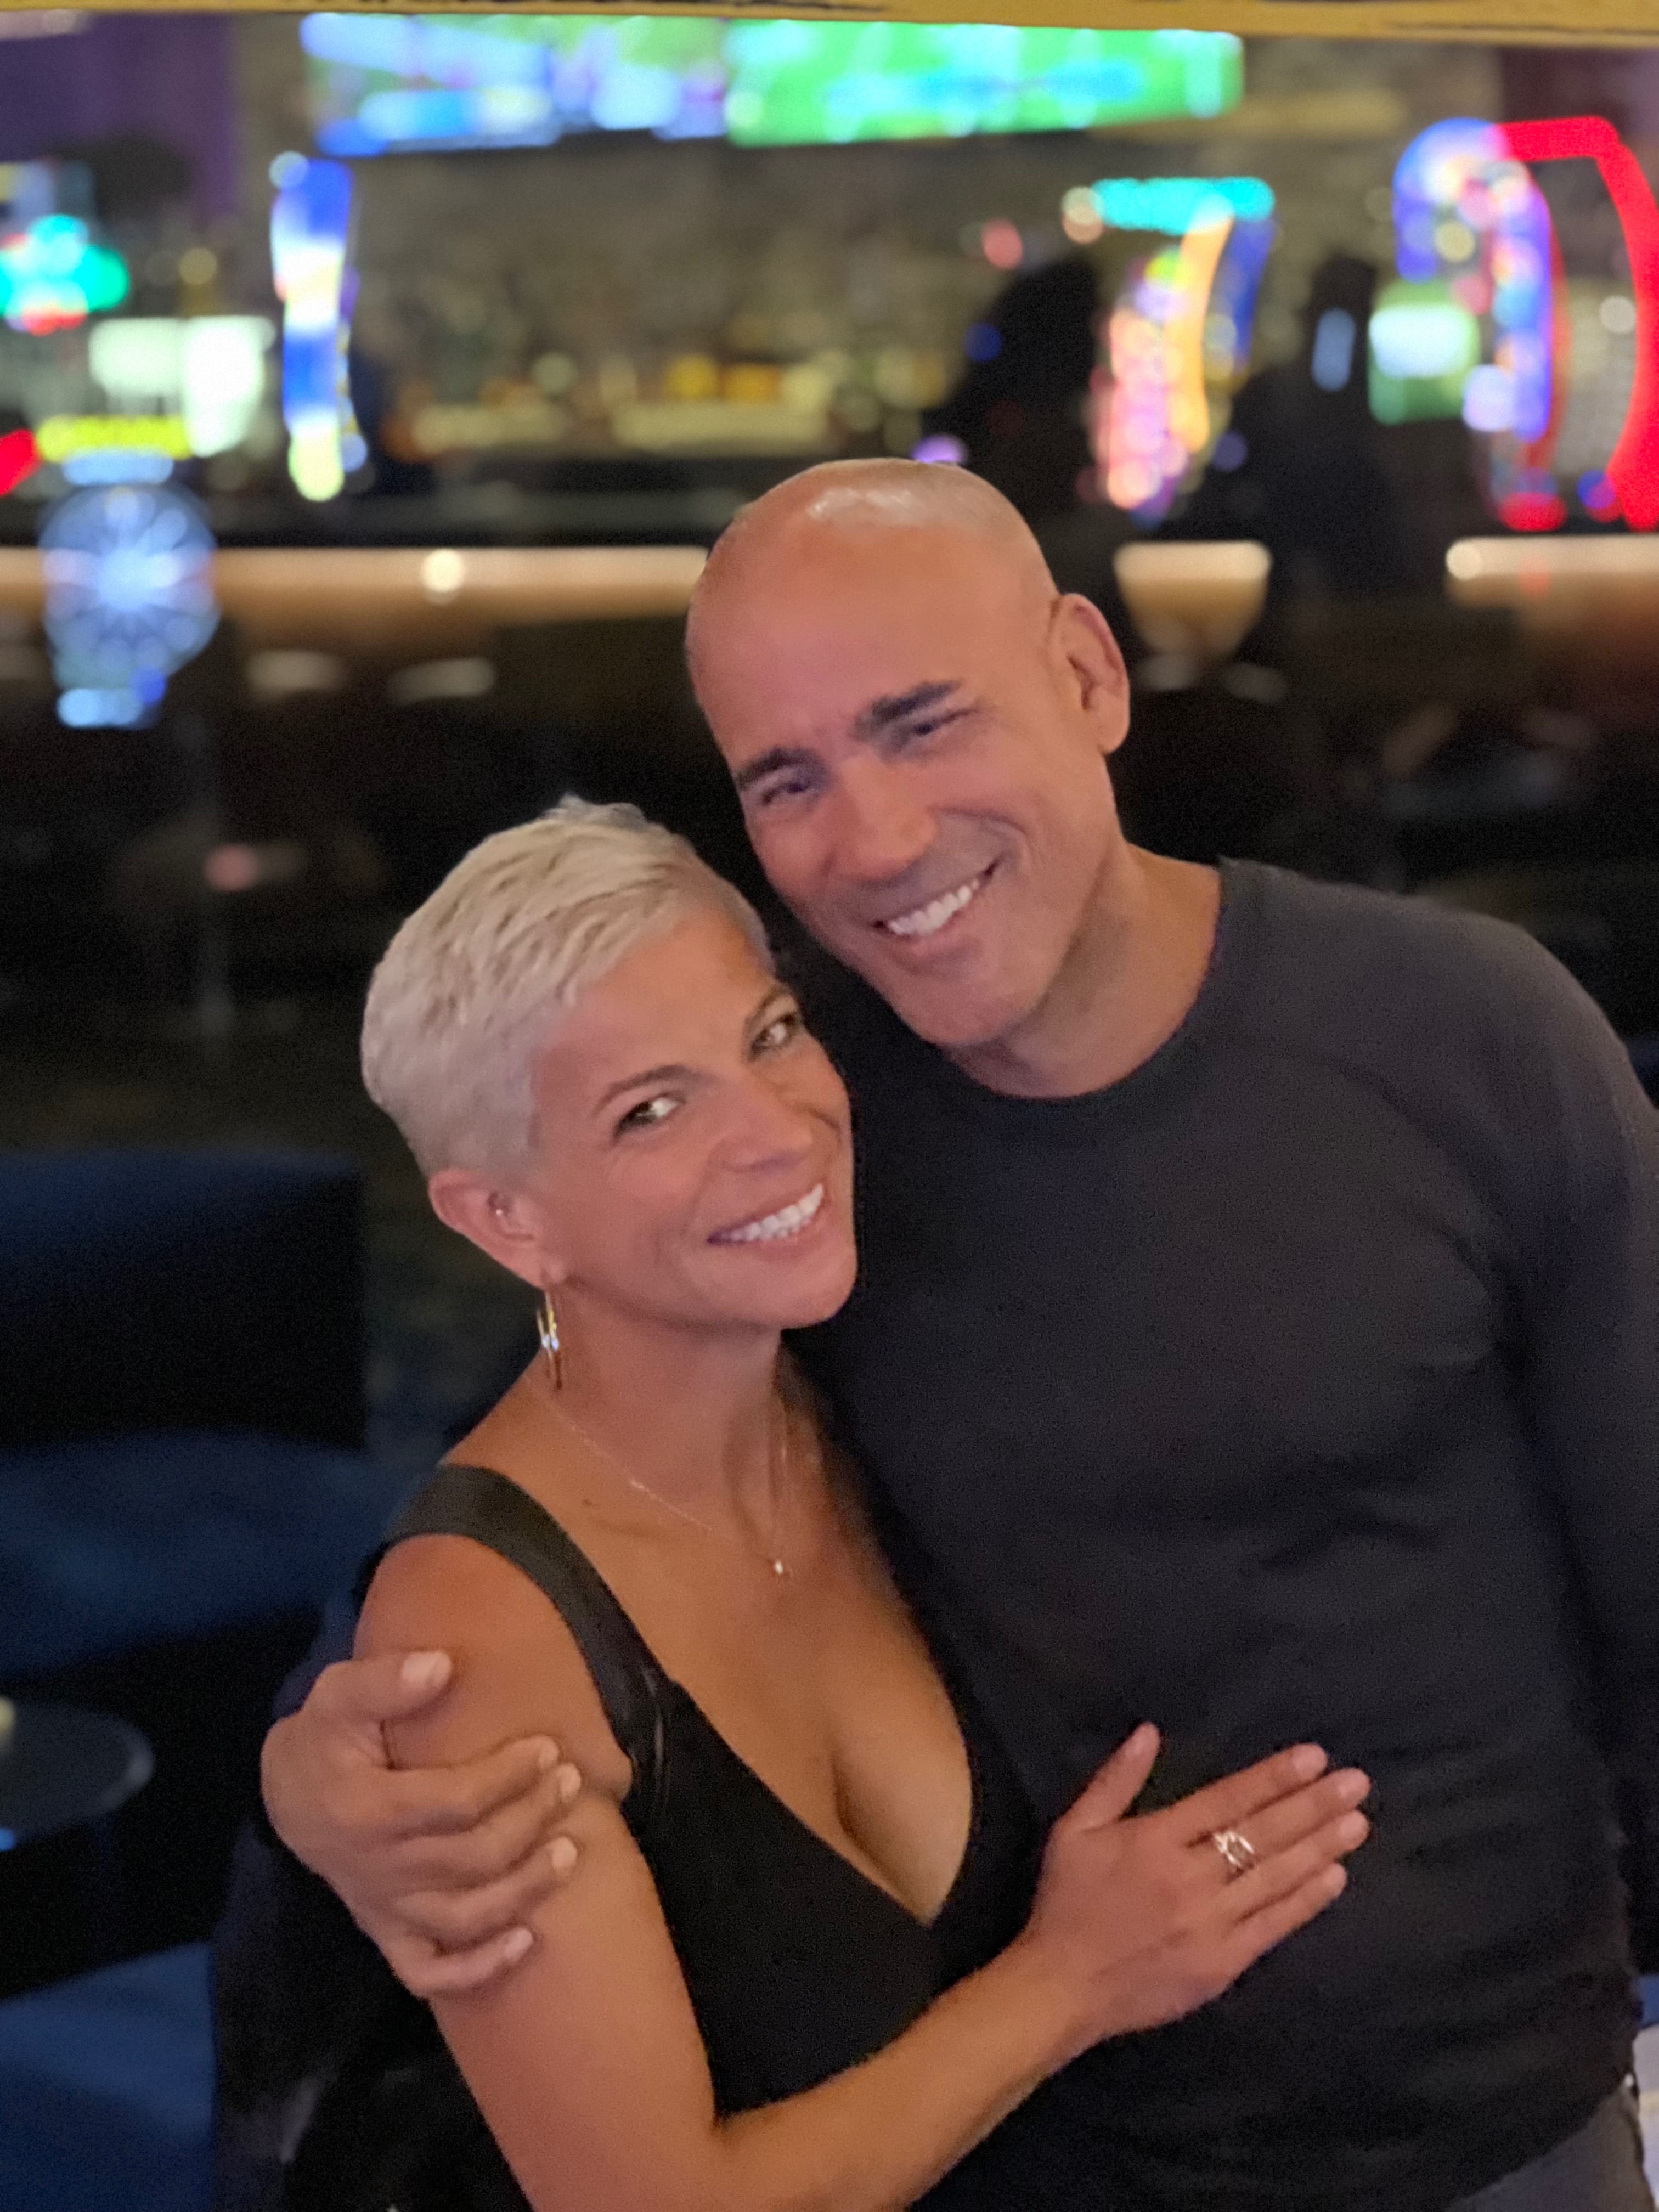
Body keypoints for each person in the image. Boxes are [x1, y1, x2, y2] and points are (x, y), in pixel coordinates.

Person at [259, 460, 1659, 2210]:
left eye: (925, 726)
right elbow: (554, 1495)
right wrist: (323, 1773)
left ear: (1087, 675)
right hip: (1034, 2158)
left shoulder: (1461, 1036)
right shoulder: (800, 1140)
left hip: (1500, 2135)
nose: (876, 840)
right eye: (789, 780)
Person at [230, 797, 1369, 2210]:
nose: (777, 1131)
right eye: (651, 1111)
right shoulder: (490, 1637)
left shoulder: (872, 1378)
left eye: (769, 1034)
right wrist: (1070, 1983)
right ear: (506, 1219)